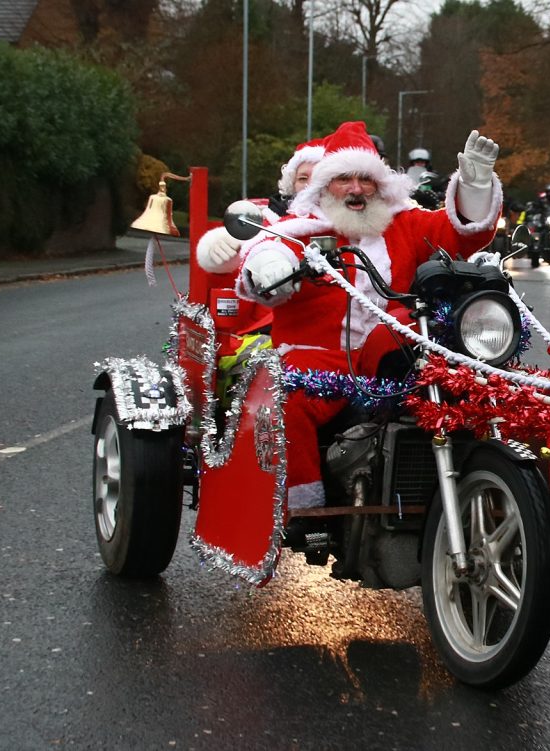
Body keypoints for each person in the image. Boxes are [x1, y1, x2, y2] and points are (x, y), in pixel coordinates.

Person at [203, 121, 502, 544]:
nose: (356, 189)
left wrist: (474, 186)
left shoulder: (404, 223)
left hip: (389, 349)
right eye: (344, 178)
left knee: (467, 376)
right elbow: (267, 250)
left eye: (366, 178)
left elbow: (457, 235)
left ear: (381, 184)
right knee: (285, 394)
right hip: (318, 355)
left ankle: (470, 479)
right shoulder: (301, 226)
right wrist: (271, 267)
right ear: (326, 185)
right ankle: (305, 508)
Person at [195, 139, 325, 273]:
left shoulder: (346, 220)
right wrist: (220, 246)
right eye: (302, 179)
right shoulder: (273, 220)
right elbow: (245, 251)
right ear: (292, 184)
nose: (310, 185)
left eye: (319, 177)